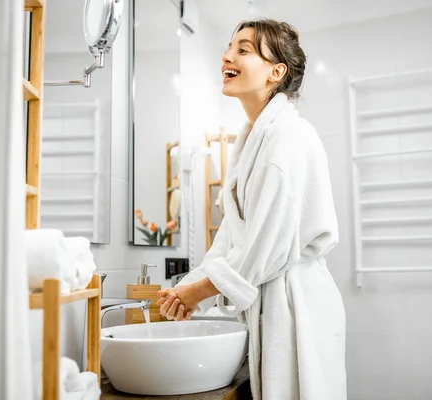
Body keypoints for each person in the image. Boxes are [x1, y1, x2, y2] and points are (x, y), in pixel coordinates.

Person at [156, 19, 347, 400]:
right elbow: (231, 239)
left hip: (296, 307)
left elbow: (268, 247)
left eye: (243, 50)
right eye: (228, 47)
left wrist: (199, 292)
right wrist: (187, 290)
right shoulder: (253, 141)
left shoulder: (287, 137)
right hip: (273, 299)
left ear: (277, 72)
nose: (226, 56)